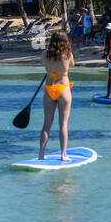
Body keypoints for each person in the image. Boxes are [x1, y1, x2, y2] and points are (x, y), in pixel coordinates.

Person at [39, 31, 74, 162]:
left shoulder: (44, 54)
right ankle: (63, 155)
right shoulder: (68, 54)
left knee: (47, 124)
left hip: (49, 89)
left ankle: (41, 154)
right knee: (63, 124)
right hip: (63, 88)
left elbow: (43, 63)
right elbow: (72, 64)